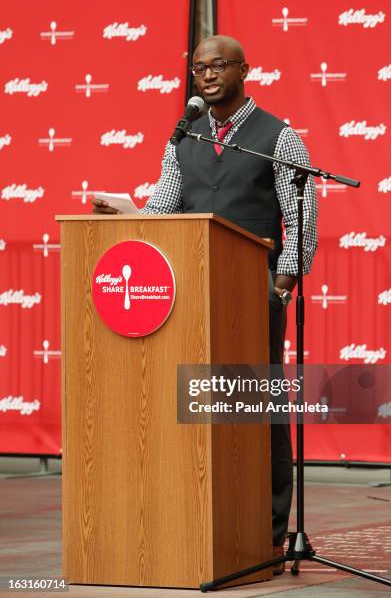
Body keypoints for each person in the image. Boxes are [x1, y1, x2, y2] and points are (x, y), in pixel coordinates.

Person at [94, 34, 318, 575]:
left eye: (218, 66)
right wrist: (127, 216)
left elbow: (302, 214)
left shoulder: (278, 137)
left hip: (253, 290)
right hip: (190, 294)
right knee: (197, 404)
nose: (207, 76)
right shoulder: (183, 135)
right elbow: (166, 206)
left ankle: (266, 531)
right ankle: (198, 523)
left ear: (244, 69)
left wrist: (283, 281)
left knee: (256, 405)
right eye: (198, 69)